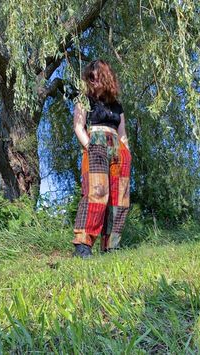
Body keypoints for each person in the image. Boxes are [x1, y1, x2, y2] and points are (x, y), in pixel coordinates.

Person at [72, 59, 131, 258]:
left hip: (118, 149)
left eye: (96, 76)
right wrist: (89, 146)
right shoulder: (84, 100)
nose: (93, 81)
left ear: (105, 77)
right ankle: (83, 245)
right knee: (96, 194)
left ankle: (111, 247)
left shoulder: (117, 106)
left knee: (119, 200)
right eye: (90, 77)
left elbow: (122, 133)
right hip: (95, 144)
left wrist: (126, 152)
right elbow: (78, 126)